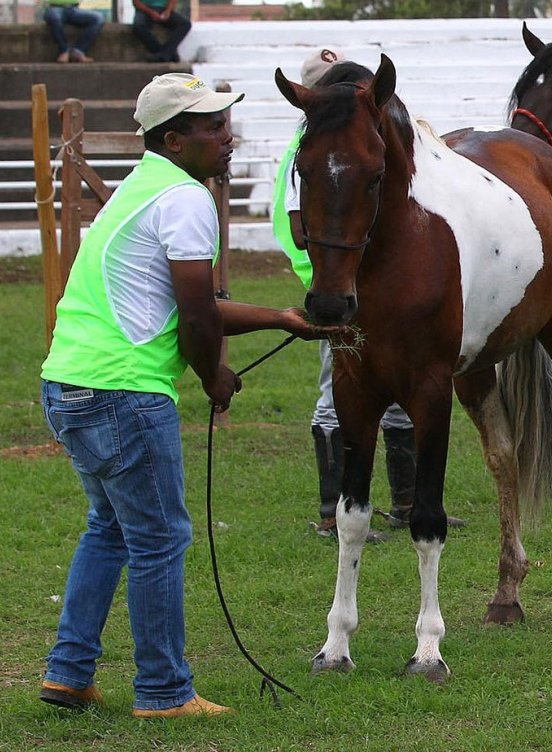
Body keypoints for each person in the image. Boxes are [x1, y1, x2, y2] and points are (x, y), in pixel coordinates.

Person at [39, 73, 337, 718]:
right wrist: (213, 377)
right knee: (159, 540)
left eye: (226, 123)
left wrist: (282, 318)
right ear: (173, 140)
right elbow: (198, 315)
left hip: (69, 382)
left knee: (110, 531)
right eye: (211, 128)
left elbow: (199, 306)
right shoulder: (184, 199)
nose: (227, 138)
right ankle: (165, 693)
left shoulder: (142, 188)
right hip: (121, 394)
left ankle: (68, 674)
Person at [270, 49, 461, 537]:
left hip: (359, 284)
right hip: (330, 285)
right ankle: (333, 511)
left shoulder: (343, 141)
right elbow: (299, 229)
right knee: (334, 397)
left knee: (398, 395)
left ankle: (402, 502)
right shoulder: (315, 149)